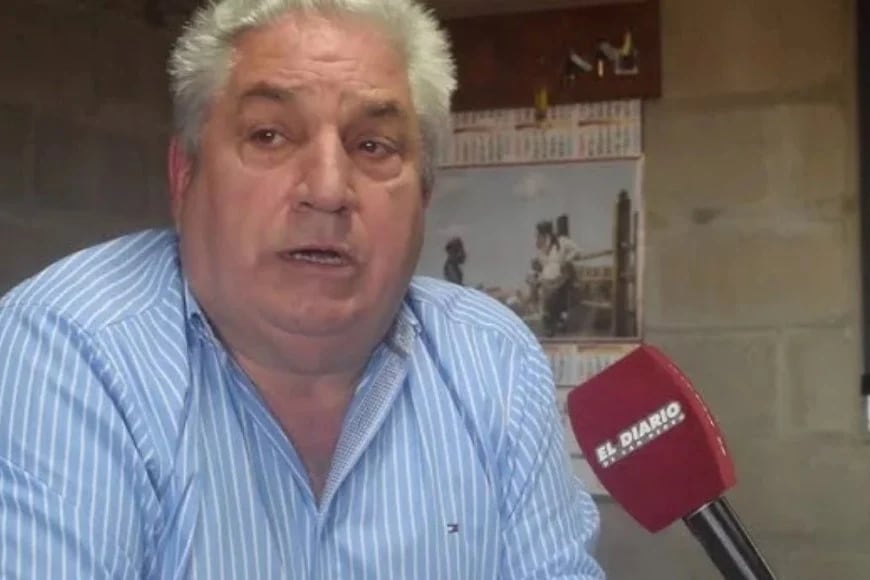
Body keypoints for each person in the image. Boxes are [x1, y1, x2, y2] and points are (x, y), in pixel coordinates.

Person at [0, 0, 605, 577]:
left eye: (373, 145)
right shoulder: (68, 351)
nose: (328, 189)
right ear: (184, 177)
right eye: (269, 135)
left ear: (423, 196)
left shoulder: (493, 361)